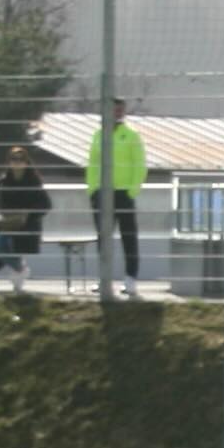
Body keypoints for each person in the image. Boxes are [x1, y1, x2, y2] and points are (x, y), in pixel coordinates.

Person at [86, 98, 146, 298]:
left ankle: (130, 279)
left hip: (123, 193)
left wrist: (131, 191)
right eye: (113, 109)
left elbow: (139, 164)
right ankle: (104, 279)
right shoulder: (98, 135)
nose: (117, 113)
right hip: (102, 193)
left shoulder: (131, 135)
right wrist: (93, 190)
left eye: (120, 110)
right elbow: (92, 164)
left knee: (129, 236)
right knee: (104, 237)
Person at [0, 143, 52, 293]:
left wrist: (28, 214)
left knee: (14, 246)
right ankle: (19, 268)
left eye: (21, 159)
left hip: (27, 226)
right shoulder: (4, 182)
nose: (17, 162)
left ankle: (18, 276)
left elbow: (46, 205)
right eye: (14, 159)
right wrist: (4, 214)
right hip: (7, 224)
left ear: (26, 162)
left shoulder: (34, 182)